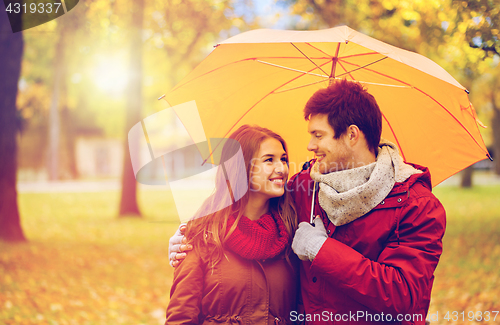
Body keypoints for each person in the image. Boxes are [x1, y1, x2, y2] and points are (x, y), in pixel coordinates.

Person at [170, 80, 446, 325]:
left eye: (318, 135)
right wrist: (187, 236)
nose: (310, 146)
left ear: (351, 135)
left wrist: (321, 249)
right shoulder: (304, 190)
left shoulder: (415, 205)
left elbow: (404, 296)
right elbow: (243, 204)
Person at [165, 125, 298, 324]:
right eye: (269, 160)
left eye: (284, 159)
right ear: (241, 166)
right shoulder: (203, 234)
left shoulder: (292, 231)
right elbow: (181, 317)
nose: (282, 168)